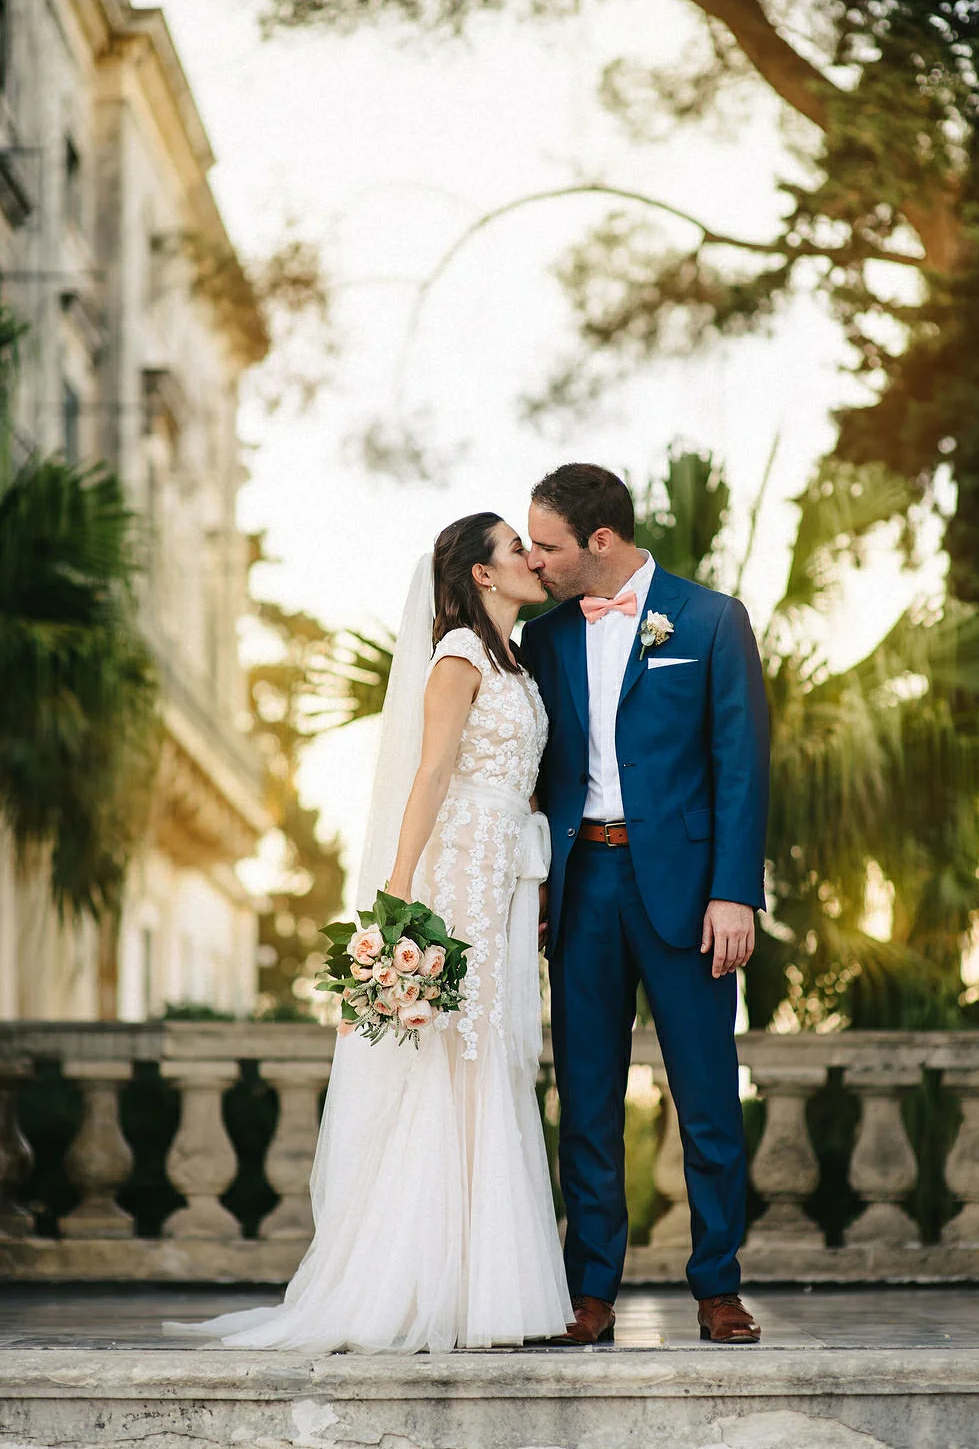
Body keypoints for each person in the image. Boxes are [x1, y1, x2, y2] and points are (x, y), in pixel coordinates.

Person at [165, 513, 574, 1353]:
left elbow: (518, 780)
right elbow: (428, 774)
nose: (532, 559)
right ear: (481, 575)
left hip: (502, 872)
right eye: (513, 549)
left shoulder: (514, 662)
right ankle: (422, 1283)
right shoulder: (458, 656)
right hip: (455, 869)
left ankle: (480, 1283)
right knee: (451, 1059)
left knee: (485, 1059)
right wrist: (397, 899)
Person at [520, 464, 770, 1347]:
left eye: (547, 545)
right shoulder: (542, 638)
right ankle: (590, 1291)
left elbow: (741, 766)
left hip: (689, 895)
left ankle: (717, 1286)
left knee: (704, 1097)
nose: (535, 561)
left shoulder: (708, 621)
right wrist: (531, 888)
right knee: (585, 1100)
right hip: (580, 886)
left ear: (600, 541)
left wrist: (735, 891)